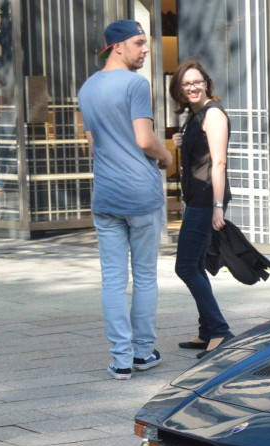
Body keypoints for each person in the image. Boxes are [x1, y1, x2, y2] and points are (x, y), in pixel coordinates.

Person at [77, 20, 171, 380]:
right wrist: (165, 158)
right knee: (145, 276)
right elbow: (145, 140)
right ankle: (143, 353)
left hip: (106, 195)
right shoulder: (135, 84)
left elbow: (91, 146)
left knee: (113, 279)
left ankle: (120, 359)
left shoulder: (88, 88)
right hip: (140, 193)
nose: (145, 50)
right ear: (116, 46)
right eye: (138, 43)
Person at [169, 60, 234, 355]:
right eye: (186, 84)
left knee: (185, 266)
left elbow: (218, 162)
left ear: (206, 83)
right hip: (196, 198)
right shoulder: (194, 116)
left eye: (197, 82)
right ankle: (207, 330)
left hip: (208, 199)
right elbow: (202, 155)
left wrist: (218, 206)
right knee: (194, 265)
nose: (192, 87)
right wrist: (182, 141)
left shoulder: (213, 114)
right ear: (180, 90)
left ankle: (220, 330)